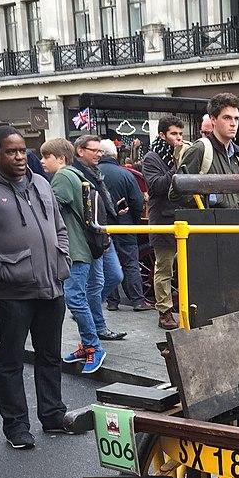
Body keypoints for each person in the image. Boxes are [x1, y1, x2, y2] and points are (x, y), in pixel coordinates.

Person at [0, 126, 71, 450]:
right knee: (11, 361)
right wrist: (0, 272)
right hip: (12, 294)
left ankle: (53, 415)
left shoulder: (41, 182)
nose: (20, 157)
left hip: (51, 288)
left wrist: (62, 259)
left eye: (23, 150)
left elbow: (60, 226)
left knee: (50, 356)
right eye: (11, 151)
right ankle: (16, 427)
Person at [41, 137, 106, 374]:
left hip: (75, 249)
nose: (42, 161)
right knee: (84, 295)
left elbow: (51, 208)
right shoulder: (76, 175)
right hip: (84, 247)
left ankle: (93, 346)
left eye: (46, 156)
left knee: (75, 298)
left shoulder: (63, 177)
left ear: (61, 158)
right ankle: (86, 344)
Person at [170, 93, 239, 221]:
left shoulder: (238, 156)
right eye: (227, 118)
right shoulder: (200, 149)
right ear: (213, 119)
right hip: (216, 231)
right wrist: (213, 197)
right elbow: (175, 193)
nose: (233, 123)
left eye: (236, 118)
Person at [71, 134, 126, 341]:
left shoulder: (95, 171)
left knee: (114, 276)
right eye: (94, 150)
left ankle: (84, 312)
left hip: (103, 232)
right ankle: (98, 326)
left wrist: (112, 212)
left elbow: (97, 201)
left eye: (100, 151)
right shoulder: (75, 173)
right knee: (97, 283)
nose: (98, 154)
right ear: (80, 151)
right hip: (91, 236)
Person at [99, 139, 151, 313]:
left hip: (103, 228)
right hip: (126, 226)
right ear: (114, 155)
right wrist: (132, 220)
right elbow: (137, 201)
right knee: (131, 264)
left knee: (108, 265)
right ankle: (137, 300)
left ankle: (112, 301)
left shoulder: (93, 174)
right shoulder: (126, 174)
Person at [142, 115, 185, 331]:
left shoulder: (181, 155)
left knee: (188, 267)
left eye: (180, 134)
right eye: (173, 134)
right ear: (162, 135)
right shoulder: (152, 158)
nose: (178, 138)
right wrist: (176, 165)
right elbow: (156, 186)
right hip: (164, 220)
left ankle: (186, 307)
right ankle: (165, 311)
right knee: (164, 268)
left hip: (184, 219)